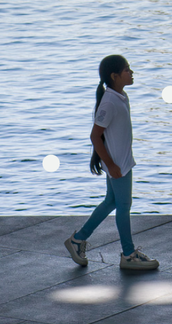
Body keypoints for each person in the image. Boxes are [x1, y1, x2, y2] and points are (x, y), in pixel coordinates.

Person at [64, 54, 159, 271]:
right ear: (115, 76)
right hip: (118, 165)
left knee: (111, 203)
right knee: (123, 207)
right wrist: (111, 164)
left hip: (121, 162)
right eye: (127, 69)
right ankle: (128, 254)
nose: (131, 72)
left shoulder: (119, 96)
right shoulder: (109, 102)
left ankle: (77, 240)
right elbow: (95, 136)